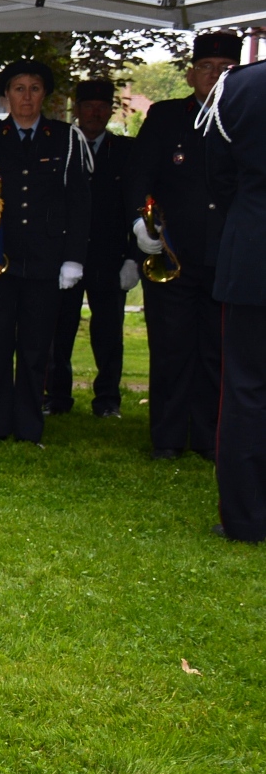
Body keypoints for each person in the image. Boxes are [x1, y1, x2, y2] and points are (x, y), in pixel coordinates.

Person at [0, 59, 91, 445]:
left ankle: (31, 427)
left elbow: (80, 202)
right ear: (6, 95)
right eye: (18, 88)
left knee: (36, 348)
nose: (26, 96)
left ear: (44, 94)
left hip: (45, 259)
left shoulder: (65, 138)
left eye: (34, 88)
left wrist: (73, 257)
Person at [130, 31, 241, 461]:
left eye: (224, 69)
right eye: (207, 68)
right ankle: (169, 439)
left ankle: (212, 439)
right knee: (172, 349)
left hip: (226, 257)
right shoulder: (166, 116)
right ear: (192, 73)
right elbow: (141, 176)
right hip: (172, 255)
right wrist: (140, 223)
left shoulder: (245, 115)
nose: (214, 76)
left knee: (218, 352)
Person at [45, 80, 136, 418]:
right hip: (66, 253)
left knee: (109, 333)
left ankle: (108, 399)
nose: (95, 112)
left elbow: (135, 205)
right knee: (58, 330)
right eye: (88, 106)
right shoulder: (59, 144)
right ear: (77, 110)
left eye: (102, 106)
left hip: (108, 255)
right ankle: (56, 397)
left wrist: (134, 258)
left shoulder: (127, 151)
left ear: (111, 110)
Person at [206, 58, 266, 540]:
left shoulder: (241, 86)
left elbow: (219, 176)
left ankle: (246, 517)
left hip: (253, 252)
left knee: (245, 390)